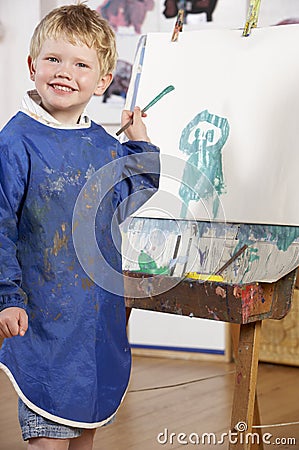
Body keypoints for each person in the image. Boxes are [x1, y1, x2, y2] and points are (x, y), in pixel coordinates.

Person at [0, 3, 160, 450]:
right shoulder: (14, 143)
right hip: (40, 319)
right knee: (48, 438)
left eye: (81, 64)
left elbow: (127, 196)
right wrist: (6, 296)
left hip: (93, 323)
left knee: (84, 434)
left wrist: (139, 142)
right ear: (32, 66)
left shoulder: (104, 146)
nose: (64, 71)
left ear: (103, 81)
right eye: (53, 59)